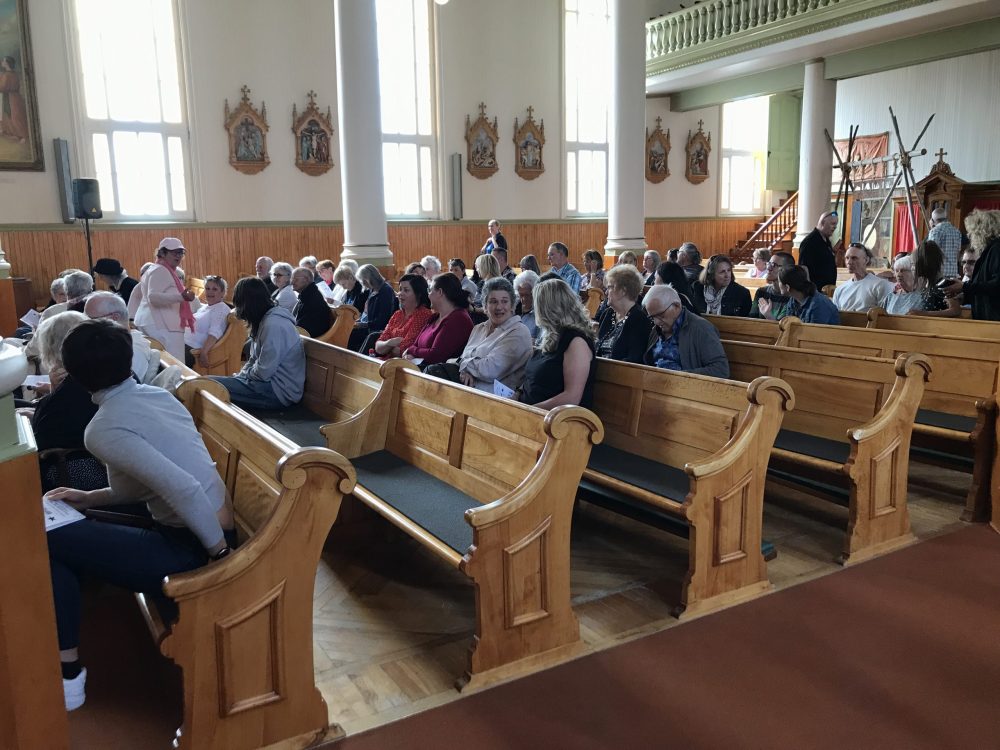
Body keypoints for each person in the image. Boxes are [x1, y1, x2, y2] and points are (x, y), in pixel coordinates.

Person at [45, 319, 237, 711]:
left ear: (74, 376)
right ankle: (67, 667)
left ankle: (68, 672)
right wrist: (86, 497)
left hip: (193, 547)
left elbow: (183, 488)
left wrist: (223, 562)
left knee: (44, 537)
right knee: (53, 538)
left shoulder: (102, 427)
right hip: (199, 528)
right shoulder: (155, 396)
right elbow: (137, 487)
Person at [209, 277, 305, 408]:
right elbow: (254, 359)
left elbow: (264, 371)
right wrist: (241, 376)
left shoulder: (274, 325)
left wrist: (243, 377)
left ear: (248, 303)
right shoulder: (264, 320)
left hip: (279, 391)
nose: (239, 309)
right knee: (208, 384)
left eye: (239, 304)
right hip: (267, 384)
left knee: (209, 385)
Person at [443, 277, 533, 393]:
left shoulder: (519, 332)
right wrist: (464, 371)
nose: (499, 307)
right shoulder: (478, 328)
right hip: (465, 389)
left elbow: (489, 371)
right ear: (485, 306)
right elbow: (460, 360)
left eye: (504, 301)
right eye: (493, 301)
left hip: (495, 401)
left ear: (512, 306)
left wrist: (462, 364)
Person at [520, 278, 596, 409]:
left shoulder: (576, 342)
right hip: (531, 412)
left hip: (558, 420)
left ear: (548, 308)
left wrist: (529, 411)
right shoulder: (551, 335)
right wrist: (516, 396)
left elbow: (572, 397)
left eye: (537, 304)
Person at [30, 312, 98, 457]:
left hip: (76, 468)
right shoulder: (108, 364)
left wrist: (33, 416)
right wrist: (53, 390)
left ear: (51, 348)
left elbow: (41, 438)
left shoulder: (75, 383)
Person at [642, 285, 729, 378]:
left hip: (685, 388)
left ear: (676, 306)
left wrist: (680, 377)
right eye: (652, 317)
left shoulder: (702, 329)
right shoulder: (656, 329)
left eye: (660, 315)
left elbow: (721, 370)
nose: (656, 322)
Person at [132, 237, 196, 361]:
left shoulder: (157, 268)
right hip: (162, 325)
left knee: (164, 364)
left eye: (180, 253)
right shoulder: (161, 270)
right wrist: (181, 297)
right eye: (174, 252)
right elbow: (153, 297)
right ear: (162, 253)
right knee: (175, 365)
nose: (178, 256)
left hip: (156, 322)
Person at [403, 272, 474, 366]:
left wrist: (412, 351)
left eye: (430, 290)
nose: (428, 295)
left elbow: (436, 356)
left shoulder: (459, 319)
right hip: (420, 369)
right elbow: (415, 344)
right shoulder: (435, 317)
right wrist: (412, 353)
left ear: (440, 292)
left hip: (439, 375)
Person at [83, 292, 154, 384]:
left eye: (91, 319)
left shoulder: (132, 349)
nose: (85, 325)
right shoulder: (111, 343)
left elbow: (120, 388)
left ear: (114, 318)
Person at [942, 209, 1000, 320]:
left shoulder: (996, 249)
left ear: (982, 231)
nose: (971, 237)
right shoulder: (989, 250)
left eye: (972, 233)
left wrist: (964, 286)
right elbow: (984, 287)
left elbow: (996, 285)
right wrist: (964, 297)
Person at [595, 264, 652, 364]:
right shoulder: (608, 313)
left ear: (623, 291)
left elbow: (634, 360)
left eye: (609, 287)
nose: (606, 292)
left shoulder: (639, 319)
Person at [370, 273, 434, 359]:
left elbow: (403, 349)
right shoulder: (397, 314)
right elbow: (378, 347)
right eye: (400, 289)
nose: (400, 294)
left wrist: (387, 347)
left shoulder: (424, 314)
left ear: (418, 294)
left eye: (406, 290)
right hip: (388, 360)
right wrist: (390, 342)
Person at [184, 275, 231, 368]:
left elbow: (215, 332)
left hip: (192, 351)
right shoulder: (206, 307)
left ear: (223, 293)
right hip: (183, 343)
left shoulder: (221, 308)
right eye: (207, 288)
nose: (210, 292)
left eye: (215, 289)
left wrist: (204, 352)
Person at [832, 243, 895, 312]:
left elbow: (887, 314)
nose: (849, 262)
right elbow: (834, 315)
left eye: (854, 258)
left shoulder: (880, 285)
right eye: (847, 258)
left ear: (866, 260)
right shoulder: (840, 289)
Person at [798, 211, 838, 290]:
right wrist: (809, 290)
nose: (835, 227)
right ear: (823, 223)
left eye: (836, 224)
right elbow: (803, 267)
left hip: (827, 289)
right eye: (832, 224)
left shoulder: (826, 240)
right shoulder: (809, 242)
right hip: (815, 290)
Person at [751, 251, 795, 320]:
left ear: (787, 269)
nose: (768, 268)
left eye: (774, 265)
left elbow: (783, 327)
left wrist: (768, 315)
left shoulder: (792, 297)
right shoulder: (762, 291)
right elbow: (751, 319)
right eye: (769, 264)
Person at [291, 267, 332, 338]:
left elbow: (304, 329)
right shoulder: (307, 295)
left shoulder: (312, 298)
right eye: (292, 279)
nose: (292, 282)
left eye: (296, 279)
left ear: (306, 279)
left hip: (313, 342)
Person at [0, 56, 28, 143]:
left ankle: (21, 135)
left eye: (3, 61)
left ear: (7, 63)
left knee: (14, 116)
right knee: (11, 116)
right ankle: (13, 133)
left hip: (10, 97)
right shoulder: (14, 74)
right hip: (14, 97)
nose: (2, 62)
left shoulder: (6, 75)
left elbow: (3, 87)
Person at [927, 207, 962, 275]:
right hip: (953, 273)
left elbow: (930, 254)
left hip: (939, 273)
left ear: (932, 220)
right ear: (946, 218)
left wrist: (932, 228)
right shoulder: (957, 231)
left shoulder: (935, 231)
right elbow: (958, 254)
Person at [513, 270, 540, 341]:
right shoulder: (515, 309)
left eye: (527, 295)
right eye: (521, 295)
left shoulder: (540, 313)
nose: (524, 299)